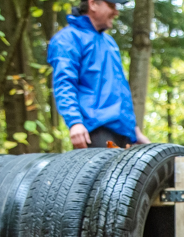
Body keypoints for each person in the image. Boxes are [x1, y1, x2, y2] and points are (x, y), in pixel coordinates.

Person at [47, 0, 151, 149]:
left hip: (123, 134)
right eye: (111, 6)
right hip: (95, 132)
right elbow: (65, 83)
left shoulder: (109, 42)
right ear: (93, 4)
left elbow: (119, 89)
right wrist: (75, 122)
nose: (116, 12)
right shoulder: (68, 38)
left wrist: (134, 130)